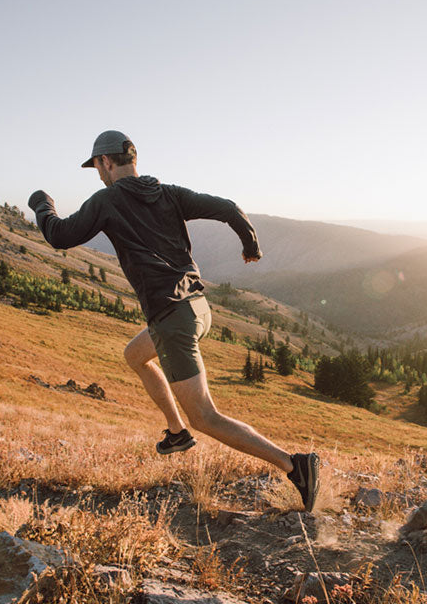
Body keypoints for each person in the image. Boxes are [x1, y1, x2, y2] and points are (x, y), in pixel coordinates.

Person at [28, 130, 320, 511]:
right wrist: (251, 245)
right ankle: (176, 433)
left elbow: (59, 235)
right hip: (197, 306)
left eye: (96, 166)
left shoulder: (107, 200)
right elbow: (229, 208)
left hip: (171, 319)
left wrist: (42, 205)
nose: (97, 174)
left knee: (206, 416)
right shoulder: (168, 193)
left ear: (106, 162)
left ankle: (294, 465)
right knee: (135, 356)